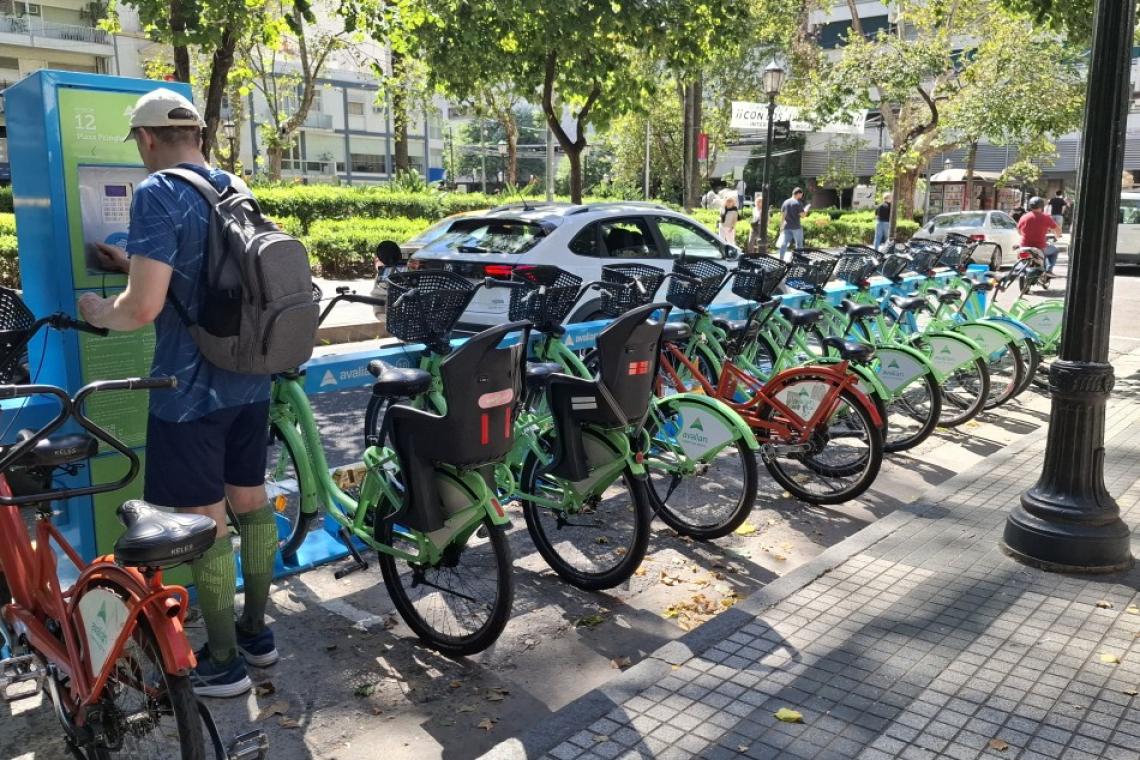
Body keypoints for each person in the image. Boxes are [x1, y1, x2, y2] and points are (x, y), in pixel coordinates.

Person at [77, 89, 279, 698]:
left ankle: (223, 663)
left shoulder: (156, 193)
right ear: (195, 133)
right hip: (250, 375)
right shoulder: (232, 185)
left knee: (205, 520)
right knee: (251, 498)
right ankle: (255, 636)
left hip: (188, 389)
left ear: (145, 139)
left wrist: (97, 309)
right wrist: (131, 263)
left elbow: (141, 309)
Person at [1016, 196, 1062, 274]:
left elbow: (1019, 231)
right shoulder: (1046, 217)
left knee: (1020, 258)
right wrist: (1058, 235)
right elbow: (1057, 229)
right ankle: (1049, 271)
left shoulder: (1024, 217)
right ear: (1041, 206)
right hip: (1040, 248)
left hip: (1024, 246)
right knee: (1055, 251)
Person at [777, 187, 808, 261]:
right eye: (801, 195)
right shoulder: (798, 203)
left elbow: (782, 215)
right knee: (799, 245)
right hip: (796, 227)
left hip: (787, 227)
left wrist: (781, 226)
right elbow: (803, 215)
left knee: (784, 244)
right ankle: (799, 260)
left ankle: (780, 259)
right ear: (798, 194)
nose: (801, 196)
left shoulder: (785, 202)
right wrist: (806, 209)